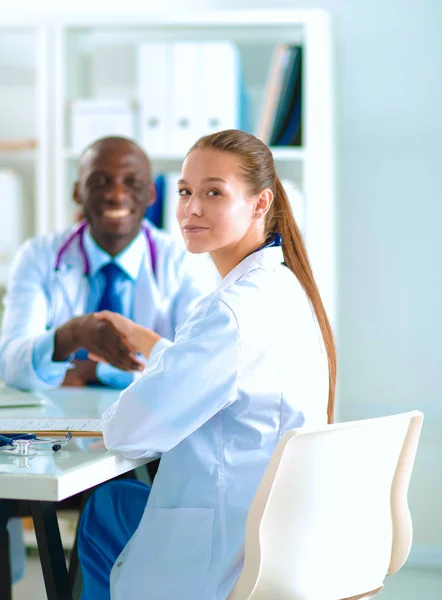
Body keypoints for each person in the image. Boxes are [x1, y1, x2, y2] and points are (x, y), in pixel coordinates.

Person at [77, 129, 337, 600]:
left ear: (261, 204)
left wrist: (152, 367)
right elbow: (226, 378)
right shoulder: (285, 289)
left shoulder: (229, 313)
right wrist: (160, 349)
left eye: (213, 192)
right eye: (185, 192)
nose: (191, 208)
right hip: (281, 537)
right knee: (117, 502)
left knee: (106, 508)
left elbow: (128, 432)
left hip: (227, 549)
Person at [0, 135, 213, 391]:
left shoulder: (183, 262)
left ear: (150, 194)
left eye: (132, 182)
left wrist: (94, 370)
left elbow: (199, 368)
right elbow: (12, 366)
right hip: (59, 418)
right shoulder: (38, 256)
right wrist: (71, 334)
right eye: (100, 182)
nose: (116, 195)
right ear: (78, 192)